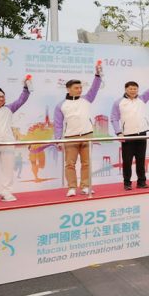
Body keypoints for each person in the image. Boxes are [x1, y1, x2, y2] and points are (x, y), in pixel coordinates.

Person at [110, 67, 149, 190]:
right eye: (131, 88)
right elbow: (114, 118)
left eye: (135, 88)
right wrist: (119, 132)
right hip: (127, 136)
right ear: (126, 89)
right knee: (127, 161)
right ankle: (127, 183)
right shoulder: (118, 102)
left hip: (141, 134)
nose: (133, 90)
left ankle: (141, 182)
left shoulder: (142, 98)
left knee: (141, 160)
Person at [53, 62, 103, 197]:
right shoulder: (61, 105)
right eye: (76, 88)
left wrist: (97, 74)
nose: (80, 90)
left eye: (81, 87)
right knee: (70, 164)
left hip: (87, 135)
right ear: (68, 89)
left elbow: (95, 88)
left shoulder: (87, 99)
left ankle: (86, 186)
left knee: (86, 163)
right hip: (70, 137)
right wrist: (57, 140)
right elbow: (58, 124)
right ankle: (72, 188)